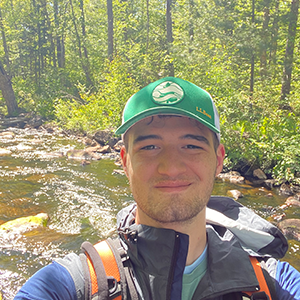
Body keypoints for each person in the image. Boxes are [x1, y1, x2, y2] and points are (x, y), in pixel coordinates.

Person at [14, 77, 300, 300]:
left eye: (191, 146)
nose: (170, 167)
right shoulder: (75, 282)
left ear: (219, 160)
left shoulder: (273, 282)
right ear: (125, 162)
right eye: (150, 146)